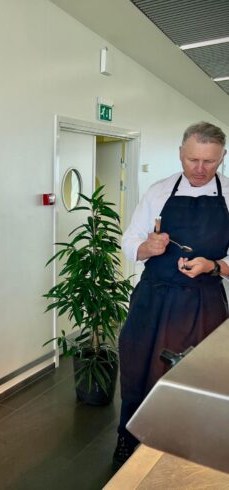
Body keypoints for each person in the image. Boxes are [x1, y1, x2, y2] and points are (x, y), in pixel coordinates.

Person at [113, 121, 229, 469]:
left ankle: (191, 450)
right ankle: (129, 438)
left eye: (210, 161)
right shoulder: (159, 191)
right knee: (137, 369)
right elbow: (129, 241)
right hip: (152, 298)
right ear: (181, 153)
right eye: (193, 159)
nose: (200, 169)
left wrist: (213, 266)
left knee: (198, 377)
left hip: (204, 302)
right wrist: (147, 247)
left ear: (222, 157)